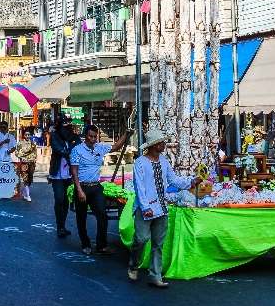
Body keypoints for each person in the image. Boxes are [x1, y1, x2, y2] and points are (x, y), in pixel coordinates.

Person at [129, 130, 193, 288]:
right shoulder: (140, 163)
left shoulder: (163, 161)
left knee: (158, 243)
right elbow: (139, 187)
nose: (165, 144)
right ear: (155, 145)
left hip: (161, 207)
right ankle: (133, 263)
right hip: (146, 208)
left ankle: (155, 276)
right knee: (141, 239)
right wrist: (145, 207)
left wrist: (192, 182)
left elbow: (173, 180)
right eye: (162, 142)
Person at [70, 123, 131, 255]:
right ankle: (85, 244)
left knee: (102, 215)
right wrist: (79, 190)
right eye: (90, 136)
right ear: (85, 136)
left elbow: (115, 147)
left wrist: (126, 135)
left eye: (94, 137)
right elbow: (74, 172)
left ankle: (101, 246)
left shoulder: (99, 147)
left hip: (96, 186)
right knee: (82, 217)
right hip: (83, 186)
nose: (92, 139)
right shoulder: (77, 150)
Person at [49, 115, 80, 238]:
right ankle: (59, 227)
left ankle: (63, 225)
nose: (67, 124)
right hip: (57, 173)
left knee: (67, 200)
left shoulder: (75, 137)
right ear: (60, 124)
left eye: (69, 123)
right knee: (59, 199)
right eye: (65, 123)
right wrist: (70, 154)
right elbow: (58, 149)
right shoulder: (54, 136)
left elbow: (78, 147)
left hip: (70, 174)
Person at [15, 127, 38, 202]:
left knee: (30, 179)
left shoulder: (33, 144)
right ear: (24, 135)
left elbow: (35, 153)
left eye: (28, 135)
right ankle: (28, 195)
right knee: (25, 178)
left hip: (31, 163)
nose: (27, 136)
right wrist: (20, 157)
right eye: (26, 135)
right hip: (24, 163)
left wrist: (34, 158)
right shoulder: (20, 143)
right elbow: (16, 152)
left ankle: (25, 192)